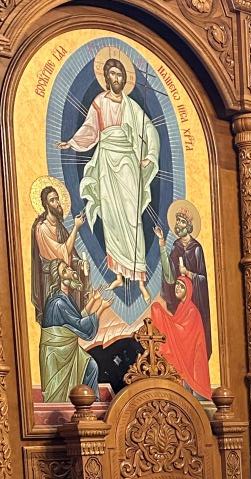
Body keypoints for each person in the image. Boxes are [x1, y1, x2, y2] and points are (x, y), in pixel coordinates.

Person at [59, 57, 159, 303]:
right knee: (112, 218)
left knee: (132, 218)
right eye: (112, 74)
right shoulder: (99, 102)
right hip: (106, 161)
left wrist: (149, 155)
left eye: (120, 74)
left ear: (125, 79)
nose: (116, 78)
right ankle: (119, 275)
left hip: (127, 163)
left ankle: (140, 279)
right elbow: (90, 129)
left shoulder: (131, 106)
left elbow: (149, 130)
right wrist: (72, 143)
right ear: (106, 77)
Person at [39, 262, 111, 402]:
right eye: (65, 270)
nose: (70, 270)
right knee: (89, 368)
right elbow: (80, 326)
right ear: (60, 278)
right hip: (58, 354)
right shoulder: (58, 303)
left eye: (68, 267)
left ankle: (91, 403)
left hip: (68, 349)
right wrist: (101, 308)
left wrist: (93, 300)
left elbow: (76, 319)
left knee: (91, 366)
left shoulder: (65, 297)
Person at [154, 205, 212, 357]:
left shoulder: (196, 248)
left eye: (182, 221)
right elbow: (169, 275)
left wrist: (188, 273)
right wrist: (161, 243)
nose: (178, 224)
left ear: (189, 226)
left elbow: (203, 279)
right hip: (180, 300)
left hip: (195, 301)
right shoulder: (176, 246)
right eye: (177, 221)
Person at [31, 185, 88, 322]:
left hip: (64, 279)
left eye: (57, 199)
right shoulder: (42, 228)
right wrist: (76, 227)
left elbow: (71, 255)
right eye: (52, 200)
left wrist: (80, 263)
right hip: (51, 282)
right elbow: (62, 253)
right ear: (46, 204)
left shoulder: (59, 226)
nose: (57, 203)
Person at [150, 277, 212, 400]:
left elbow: (183, 334)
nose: (177, 288)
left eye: (182, 286)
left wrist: (163, 317)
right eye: (177, 284)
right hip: (184, 350)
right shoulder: (182, 307)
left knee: (157, 307)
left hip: (189, 355)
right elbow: (176, 325)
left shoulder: (192, 311)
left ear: (188, 290)